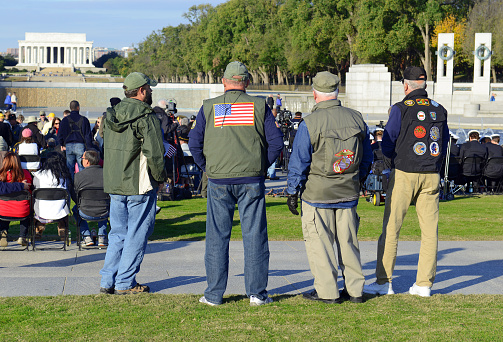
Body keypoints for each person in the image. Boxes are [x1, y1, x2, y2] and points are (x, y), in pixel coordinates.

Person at [189, 61, 283, 306]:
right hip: (250, 178)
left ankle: (213, 294)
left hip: (219, 179)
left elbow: (195, 144)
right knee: (255, 236)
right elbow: (276, 144)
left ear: (224, 82)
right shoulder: (258, 105)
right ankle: (257, 293)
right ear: (247, 82)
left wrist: (208, 168)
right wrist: (261, 168)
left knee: (217, 237)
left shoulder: (210, 107)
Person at [286, 71, 372, 304]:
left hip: (318, 193)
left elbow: (299, 161)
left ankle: (327, 292)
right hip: (348, 190)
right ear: (337, 92)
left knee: (320, 246)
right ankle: (355, 291)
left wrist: (293, 191)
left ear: (315, 94)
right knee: (349, 244)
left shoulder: (310, 123)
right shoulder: (356, 118)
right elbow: (367, 158)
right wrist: (357, 179)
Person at [363, 66, 449, 297]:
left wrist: (391, 165)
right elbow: (445, 142)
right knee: (430, 232)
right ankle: (423, 284)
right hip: (431, 173)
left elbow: (388, 141)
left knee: (392, 229)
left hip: (404, 172)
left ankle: (384, 281)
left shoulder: (401, 108)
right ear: (425, 85)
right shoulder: (439, 109)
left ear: (406, 85)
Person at [99, 72, 166, 295]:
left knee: (117, 233)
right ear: (141, 91)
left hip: (115, 183)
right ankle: (125, 282)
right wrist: (160, 179)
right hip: (139, 184)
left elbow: (101, 142)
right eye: (149, 88)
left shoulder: (110, 115)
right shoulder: (147, 117)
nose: (152, 92)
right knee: (136, 234)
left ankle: (108, 280)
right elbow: (155, 153)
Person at [70, 150, 109, 247]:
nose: (81, 160)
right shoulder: (107, 174)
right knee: (104, 205)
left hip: (85, 210)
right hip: (104, 210)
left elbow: (75, 195)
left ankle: (86, 236)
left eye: (82, 158)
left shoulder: (78, 176)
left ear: (87, 161)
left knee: (75, 209)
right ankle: (102, 236)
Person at [32, 152, 71, 240]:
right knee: (66, 196)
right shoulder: (64, 177)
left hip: (41, 211)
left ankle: (38, 228)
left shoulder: (38, 177)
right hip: (61, 212)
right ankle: (62, 227)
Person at [0, 152, 32, 247]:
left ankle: (3, 233)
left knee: (6, 207)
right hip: (22, 211)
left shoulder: (2, 175)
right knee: (27, 210)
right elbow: (30, 188)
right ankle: (22, 236)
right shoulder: (25, 174)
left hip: (3, 211)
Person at [57, 100, 94, 179]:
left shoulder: (64, 120)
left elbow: (59, 134)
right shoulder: (84, 119)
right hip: (80, 145)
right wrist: (89, 148)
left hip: (69, 146)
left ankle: (71, 187)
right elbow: (88, 136)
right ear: (78, 108)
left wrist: (62, 144)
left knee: (70, 169)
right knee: (81, 168)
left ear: (70, 108)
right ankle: (80, 186)